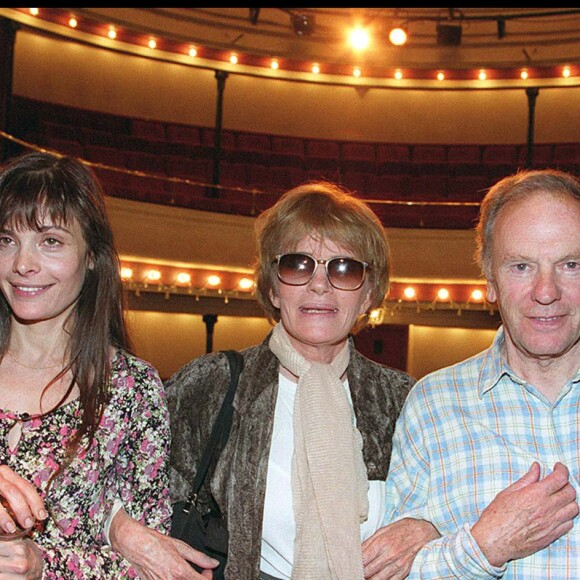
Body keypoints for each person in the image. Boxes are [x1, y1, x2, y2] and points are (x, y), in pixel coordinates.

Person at [155, 181, 439, 580]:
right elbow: (135, 494)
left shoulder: (405, 399)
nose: (318, 284)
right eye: (297, 264)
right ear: (272, 287)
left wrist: (429, 529)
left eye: (344, 267)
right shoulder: (211, 385)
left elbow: (452, 505)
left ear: (369, 293)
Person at [0, 151, 215, 578]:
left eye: (51, 241)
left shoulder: (131, 389)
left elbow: (149, 564)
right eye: (5, 240)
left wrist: (47, 567)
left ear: (93, 256)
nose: (23, 264)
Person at [369, 169, 580, 578]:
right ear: (490, 280)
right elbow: (391, 572)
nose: (546, 291)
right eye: (521, 266)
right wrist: (485, 548)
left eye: (570, 264)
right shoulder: (434, 405)